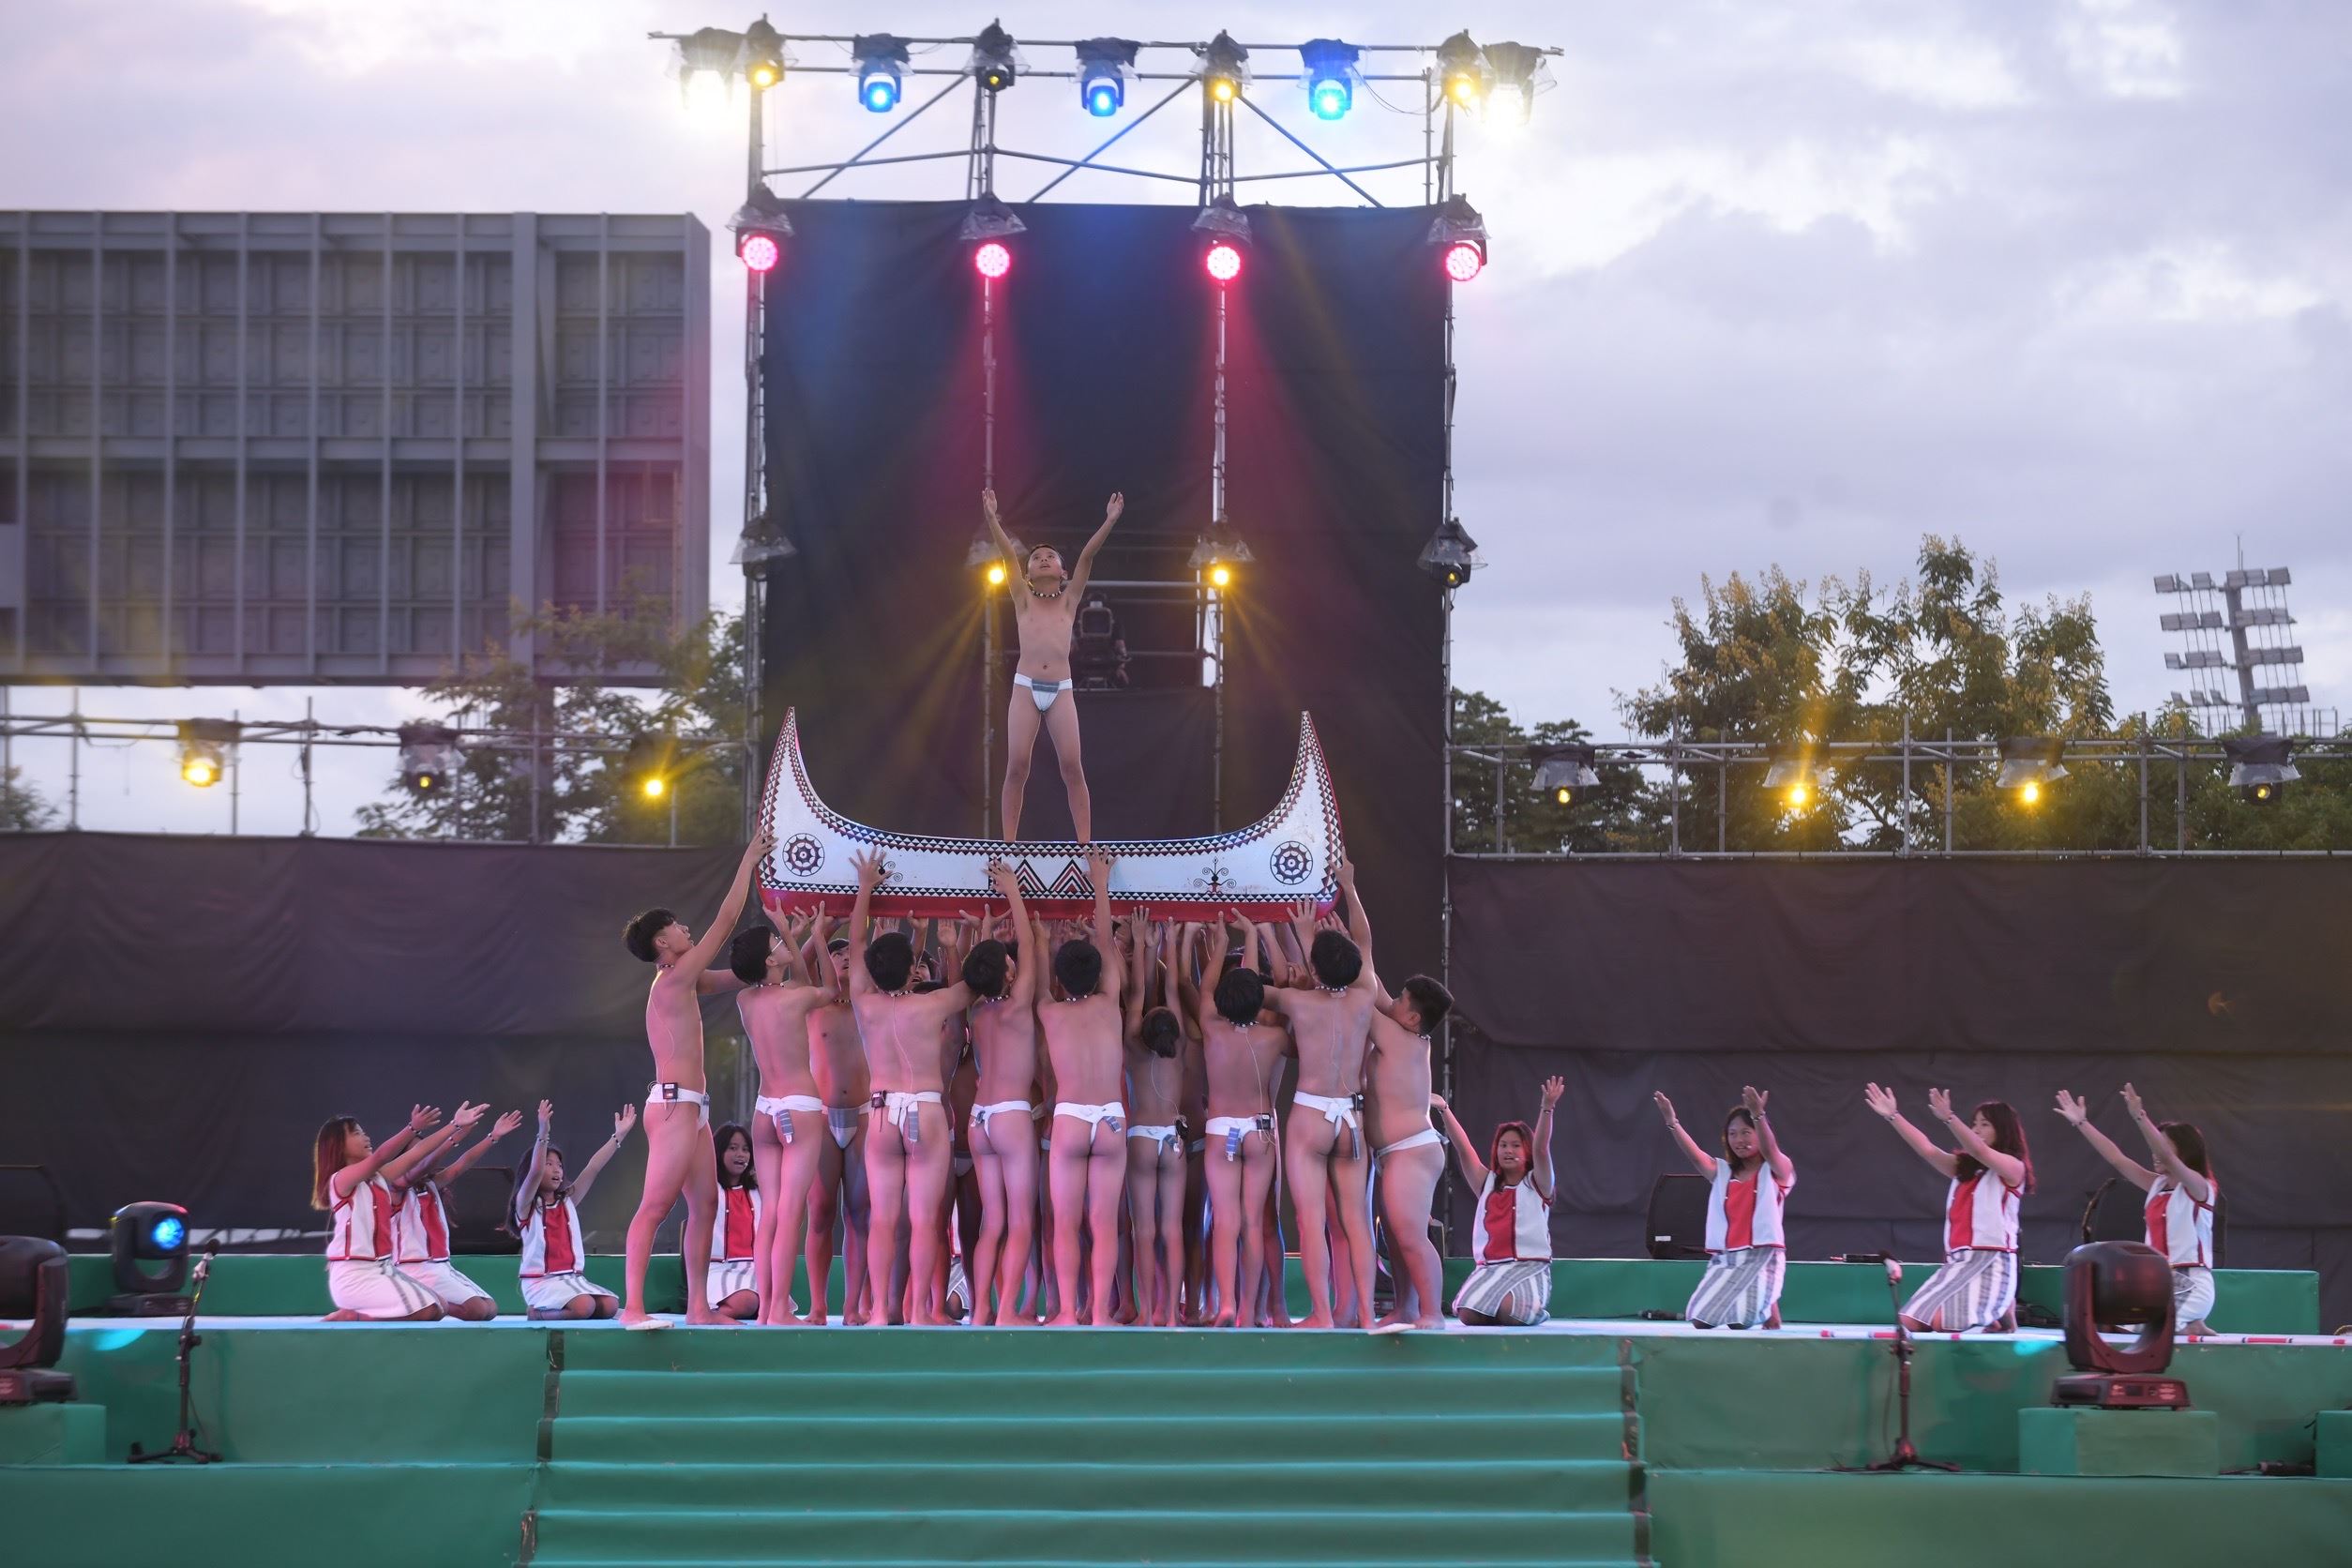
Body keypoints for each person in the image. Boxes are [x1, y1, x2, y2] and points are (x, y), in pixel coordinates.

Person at [617, 829, 773, 1329]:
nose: (689, 930)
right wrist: (748, 859)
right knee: (655, 1206)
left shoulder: (686, 979)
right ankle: (633, 1309)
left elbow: (741, 977)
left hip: (693, 1108)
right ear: (663, 942)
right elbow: (726, 922)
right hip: (673, 1106)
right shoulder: (673, 978)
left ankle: (699, 1308)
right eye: (681, 928)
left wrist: (794, 947)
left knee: (706, 1206)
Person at [846, 848, 974, 1326]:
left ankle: (880, 1310)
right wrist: (958, 940)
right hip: (926, 1110)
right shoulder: (933, 1003)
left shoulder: (864, 1003)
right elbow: (972, 986)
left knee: (883, 1218)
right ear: (913, 969)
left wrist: (864, 888)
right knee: (925, 1220)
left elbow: (856, 942)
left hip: (880, 1114)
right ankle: (919, 1310)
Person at [1259, 885, 1380, 1331]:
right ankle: (1367, 1313)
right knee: (1357, 1222)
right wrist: (1348, 887)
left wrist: (1289, 933)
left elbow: (1256, 992)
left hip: (1311, 1115)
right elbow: (1363, 946)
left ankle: (1322, 1315)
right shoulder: (1365, 999)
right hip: (1352, 1115)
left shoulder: (1298, 1001)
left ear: (1314, 968)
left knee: (1311, 1223)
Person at [979, 487, 1124, 842]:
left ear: (1063, 572)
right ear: (1028, 573)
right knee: (1017, 767)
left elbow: (1089, 556)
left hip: (1060, 691)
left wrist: (1110, 520)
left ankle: (1085, 845)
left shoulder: (1071, 599)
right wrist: (991, 518)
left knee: (1073, 768)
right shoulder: (1021, 597)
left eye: (1051, 556)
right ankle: (1009, 845)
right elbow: (1006, 555)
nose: (1043, 558)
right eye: (1037, 557)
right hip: (1026, 689)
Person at [731, 913, 835, 1325]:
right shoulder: (795, 997)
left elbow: (797, 980)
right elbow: (828, 989)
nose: (782, 945)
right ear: (770, 961)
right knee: (791, 1211)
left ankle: (767, 1310)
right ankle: (777, 1309)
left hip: (765, 1108)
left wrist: (792, 940)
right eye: (776, 943)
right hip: (799, 1106)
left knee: (770, 1211)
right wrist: (814, 938)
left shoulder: (746, 1001)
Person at [1184, 915, 1289, 1327]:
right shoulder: (1275, 1037)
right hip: (1260, 1130)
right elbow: (1280, 984)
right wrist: (1257, 932)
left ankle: (1226, 1303)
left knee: (1225, 1220)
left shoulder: (1211, 1027)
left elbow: (1206, 987)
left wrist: (1221, 939)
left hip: (1221, 1129)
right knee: (1251, 1221)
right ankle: (1249, 1310)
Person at [1864, 1084, 2032, 1333]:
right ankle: (1999, 1318)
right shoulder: (1964, 1169)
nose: (1976, 1129)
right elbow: (1927, 1150)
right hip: (1957, 1261)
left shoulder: (2013, 1168)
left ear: (2003, 1129)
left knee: (1944, 1324)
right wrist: (1893, 1116)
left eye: (1984, 1124)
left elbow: (1979, 1149)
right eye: (1974, 1123)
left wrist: (1949, 1119)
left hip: (1992, 1260)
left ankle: (1999, 1314)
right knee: (1910, 1323)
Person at [1040, 852, 1127, 1324]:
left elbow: (1034, 973)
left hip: (1071, 1118)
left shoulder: (1049, 1011)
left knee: (1067, 1224)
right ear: (1099, 975)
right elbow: (1110, 950)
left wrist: (1040, 933)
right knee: (1104, 1222)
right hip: (1111, 1118)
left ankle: (1069, 1311)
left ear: (1059, 976)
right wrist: (1100, 883)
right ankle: (1100, 1313)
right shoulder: (1111, 1001)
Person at [2056, 1083, 2219, 1335]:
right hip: (2158, 1281)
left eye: (2162, 1145)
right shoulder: (2156, 1185)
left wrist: (2139, 1117)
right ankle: (2190, 1325)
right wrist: (2082, 1123)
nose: (2154, 1153)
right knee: (2123, 1323)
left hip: (2191, 1283)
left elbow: (2166, 1157)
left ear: (2184, 1151)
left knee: (2148, 1327)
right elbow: (2117, 1159)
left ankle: (2188, 1323)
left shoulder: (2201, 1187)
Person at [964, 863, 1043, 1324]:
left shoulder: (978, 1011)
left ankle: (980, 1312)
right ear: (1007, 974)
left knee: (992, 1222)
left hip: (979, 1118)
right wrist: (1014, 891)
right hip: (1012, 1116)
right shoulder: (1016, 1008)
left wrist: (987, 932)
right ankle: (1009, 1308)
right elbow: (1030, 947)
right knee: (1020, 1220)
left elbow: (985, 967)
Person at [1655, 1085, 1793, 1329]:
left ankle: (1767, 1306)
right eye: (1733, 1134)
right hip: (1727, 1259)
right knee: (1701, 1320)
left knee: (1740, 1322)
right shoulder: (1722, 1172)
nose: (1739, 1139)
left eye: (1746, 1132)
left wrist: (1758, 1115)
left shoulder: (1775, 1170)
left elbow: (1770, 1150)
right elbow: (1695, 1156)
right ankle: (1767, 1304)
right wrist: (1672, 1122)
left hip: (1763, 1256)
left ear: (1760, 1133)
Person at [1433, 1078, 1564, 1326]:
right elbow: (1464, 1149)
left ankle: (1534, 1310)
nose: (1508, 1150)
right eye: (1503, 1145)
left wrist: (1547, 1108)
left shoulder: (1538, 1183)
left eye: (1516, 1145)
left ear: (1526, 1150)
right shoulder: (1487, 1182)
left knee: (1511, 1314)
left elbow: (1542, 1150)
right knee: (1467, 1315)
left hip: (1529, 1268)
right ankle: (1496, 1304)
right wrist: (1444, 1109)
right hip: (1490, 1269)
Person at [313, 1104, 446, 1321]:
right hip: (355, 1275)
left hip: (380, 1268)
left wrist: (456, 1126)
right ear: (338, 1145)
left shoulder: (378, 1178)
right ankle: (354, 1316)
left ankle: (357, 1314)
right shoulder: (341, 1179)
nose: (366, 1137)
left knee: (442, 1306)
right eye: (357, 1133)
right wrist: (412, 1128)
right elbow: (382, 1156)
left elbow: (416, 1155)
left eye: (364, 1132)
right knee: (429, 1310)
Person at [392, 1102, 523, 1321]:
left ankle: (428, 1301)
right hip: (414, 1269)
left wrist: (493, 1136)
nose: (425, 1157)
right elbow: (426, 1163)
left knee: (490, 1309)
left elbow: (462, 1163)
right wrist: (457, 1131)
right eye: (418, 1153)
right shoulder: (396, 1188)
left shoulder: (432, 1185)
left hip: (441, 1266)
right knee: (477, 1311)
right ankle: (423, 1302)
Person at [510, 1099, 634, 1320]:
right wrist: (543, 1133)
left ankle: (563, 1311)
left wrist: (619, 1136)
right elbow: (535, 1173)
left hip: (572, 1280)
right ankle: (538, 1314)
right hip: (542, 1282)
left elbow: (593, 1168)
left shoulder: (567, 1200)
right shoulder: (526, 1204)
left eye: (559, 1165)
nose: (556, 1170)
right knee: (584, 1306)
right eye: (549, 1164)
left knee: (610, 1306)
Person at [1123, 918, 1188, 1328]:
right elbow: (1171, 989)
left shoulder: (1131, 1043)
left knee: (1142, 1230)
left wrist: (1144, 948)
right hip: (1172, 1141)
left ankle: (1147, 1311)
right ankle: (1171, 1315)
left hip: (1141, 1139)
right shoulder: (1179, 1046)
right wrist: (1171, 944)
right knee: (1173, 1229)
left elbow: (1135, 995)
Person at [806, 933, 872, 1324]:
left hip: (863, 1116)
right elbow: (801, 960)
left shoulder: (871, 1002)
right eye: (838, 953)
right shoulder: (812, 1003)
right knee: (820, 1212)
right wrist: (820, 930)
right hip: (823, 1117)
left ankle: (854, 1306)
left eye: (852, 953)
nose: (846, 958)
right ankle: (817, 1305)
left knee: (860, 1214)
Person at [708, 1123, 762, 1320]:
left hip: (756, 1269)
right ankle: (712, 1316)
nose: (741, 1154)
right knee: (746, 1301)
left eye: (746, 1149)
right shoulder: (708, 1188)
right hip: (716, 1269)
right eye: (733, 1148)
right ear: (719, 1151)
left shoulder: (759, 1191)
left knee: (769, 1302)